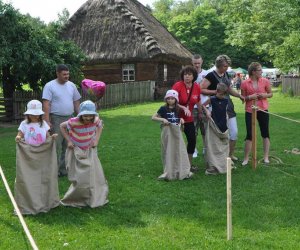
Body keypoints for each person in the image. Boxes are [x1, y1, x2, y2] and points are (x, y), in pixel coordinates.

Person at [60, 100, 108, 208]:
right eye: (85, 116)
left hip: (89, 150)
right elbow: (62, 126)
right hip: (75, 151)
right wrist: (69, 140)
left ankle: (90, 196)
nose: (88, 118)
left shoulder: (95, 120)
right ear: (81, 114)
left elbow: (100, 126)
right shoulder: (73, 122)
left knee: (91, 173)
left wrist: (96, 140)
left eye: (90, 116)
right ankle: (76, 196)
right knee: (78, 175)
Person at [15, 100, 59, 214]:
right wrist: (18, 137)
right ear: (28, 114)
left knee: (43, 175)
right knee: (29, 176)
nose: (34, 116)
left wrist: (52, 137)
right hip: (28, 153)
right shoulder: (24, 124)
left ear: (40, 114)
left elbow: (47, 136)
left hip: (43, 152)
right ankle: (28, 200)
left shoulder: (43, 124)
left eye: (37, 114)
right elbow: (20, 133)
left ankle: (45, 200)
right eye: (32, 114)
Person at [201, 55, 243, 161]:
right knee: (217, 133)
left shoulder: (227, 74)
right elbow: (201, 89)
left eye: (227, 65)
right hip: (215, 108)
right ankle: (218, 156)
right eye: (225, 65)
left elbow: (228, 89)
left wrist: (239, 95)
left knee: (234, 132)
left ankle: (230, 154)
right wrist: (216, 92)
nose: (227, 67)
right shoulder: (210, 75)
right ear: (219, 65)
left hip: (228, 107)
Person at [42, 64, 81, 177]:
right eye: (64, 74)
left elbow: (76, 102)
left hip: (71, 119)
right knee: (56, 146)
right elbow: (46, 104)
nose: (67, 76)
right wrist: (47, 120)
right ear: (57, 73)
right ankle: (53, 172)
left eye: (68, 74)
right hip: (56, 119)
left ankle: (63, 170)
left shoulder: (72, 85)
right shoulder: (49, 86)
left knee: (68, 145)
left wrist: (80, 117)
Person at [152, 90, 193, 180]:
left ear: (176, 99)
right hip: (167, 131)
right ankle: (168, 171)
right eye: (168, 98)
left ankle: (182, 170)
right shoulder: (163, 108)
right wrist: (162, 119)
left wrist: (181, 119)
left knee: (179, 150)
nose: (170, 100)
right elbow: (153, 117)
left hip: (176, 131)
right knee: (168, 150)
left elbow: (179, 118)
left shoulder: (177, 108)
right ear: (166, 99)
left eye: (172, 98)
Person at [240, 62, 273, 166]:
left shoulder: (265, 81)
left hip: (263, 109)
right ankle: (246, 158)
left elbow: (271, 94)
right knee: (249, 134)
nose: (261, 72)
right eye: (259, 70)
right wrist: (250, 97)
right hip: (250, 110)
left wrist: (264, 95)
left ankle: (266, 157)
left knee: (265, 132)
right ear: (253, 71)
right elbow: (243, 98)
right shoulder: (244, 83)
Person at [172, 66, 201, 172]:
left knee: (192, 140)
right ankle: (176, 165)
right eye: (185, 74)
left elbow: (198, 101)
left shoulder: (197, 87)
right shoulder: (177, 86)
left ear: (194, 76)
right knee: (176, 141)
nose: (187, 76)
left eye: (189, 74)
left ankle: (188, 164)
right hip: (176, 117)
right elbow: (171, 101)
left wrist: (202, 112)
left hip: (189, 118)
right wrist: (183, 107)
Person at [202, 83, 229, 175]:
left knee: (223, 145)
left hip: (223, 125)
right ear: (217, 92)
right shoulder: (212, 99)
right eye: (221, 94)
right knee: (213, 145)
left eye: (224, 95)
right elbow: (203, 105)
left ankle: (223, 163)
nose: (222, 96)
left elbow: (225, 111)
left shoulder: (226, 100)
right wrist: (207, 112)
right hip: (214, 124)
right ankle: (213, 165)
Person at [192, 54, 209, 158]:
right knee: (193, 129)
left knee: (205, 129)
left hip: (205, 105)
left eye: (198, 63)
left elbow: (211, 90)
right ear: (192, 63)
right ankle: (193, 149)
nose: (197, 65)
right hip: (192, 106)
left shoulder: (207, 74)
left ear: (202, 62)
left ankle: (205, 148)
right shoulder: (189, 74)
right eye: (195, 63)